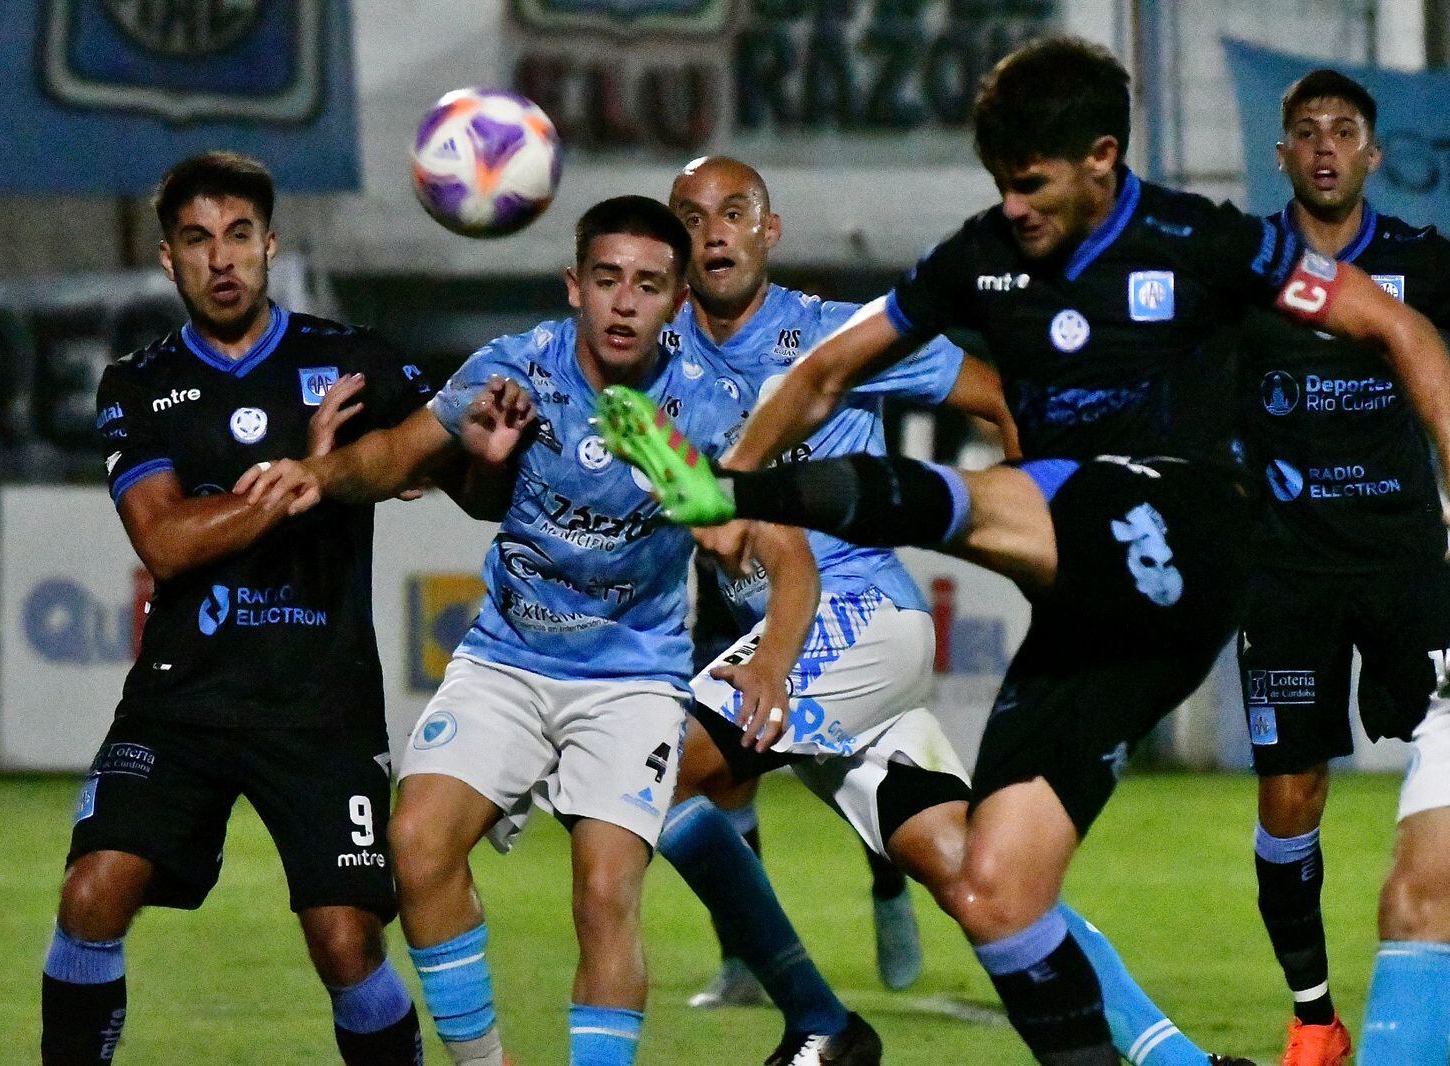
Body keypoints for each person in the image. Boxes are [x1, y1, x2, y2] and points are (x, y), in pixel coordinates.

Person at [594, 36, 1450, 1066]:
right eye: (998, 184)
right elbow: (827, 370)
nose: (1013, 206)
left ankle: (738, 490)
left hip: (1193, 531)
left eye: (1031, 183)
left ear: (1101, 157)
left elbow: (1403, 333)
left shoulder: (1205, 241)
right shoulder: (981, 256)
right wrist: (739, 469)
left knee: (995, 495)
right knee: (997, 889)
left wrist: (726, 489)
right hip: (1089, 605)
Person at [651, 154, 1251, 1066]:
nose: (714, 233)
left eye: (734, 212)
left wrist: (1041, 524)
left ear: (769, 230)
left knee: (654, 768)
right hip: (796, 640)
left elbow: (1000, 400)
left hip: (854, 619)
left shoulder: (829, 338)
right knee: (979, 876)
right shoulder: (659, 358)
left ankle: (822, 1024)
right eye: (692, 219)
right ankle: (1179, 1062)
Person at [239, 195, 826, 1066]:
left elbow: (786, 555)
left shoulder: (704, 408)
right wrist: (314, 476)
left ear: (675, 302)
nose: (625, 302)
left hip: (631, 681)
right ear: (573, 287)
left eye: (649, 286)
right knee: (417, 847)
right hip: (508, 661)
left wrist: (771, 652)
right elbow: (394, 455)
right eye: (607, 280)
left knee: (603, 893)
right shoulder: (515, 372)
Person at [42, 152, 435, 1065]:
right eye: (197, 240)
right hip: (184, 698)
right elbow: (167, 541)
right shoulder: (136, 385)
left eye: (239, 237)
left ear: (270, 245)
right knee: (92, 893)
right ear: (168, 260)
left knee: (347, 944)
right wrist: (313, 469)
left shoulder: (353, 359)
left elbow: (454, 465)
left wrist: (411, 458)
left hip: (320, 706)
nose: (222, 259)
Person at [1233, 69, 1450, 1066]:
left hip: (1408, 562)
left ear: (1371, 153)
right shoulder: (1241, 267)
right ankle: (1313, 1015)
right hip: (1285, 575)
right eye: (1306, 131)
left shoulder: (1420, 262)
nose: (1324, 146)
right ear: (1282, 155)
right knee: (1290, 794)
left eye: (1343, 131)